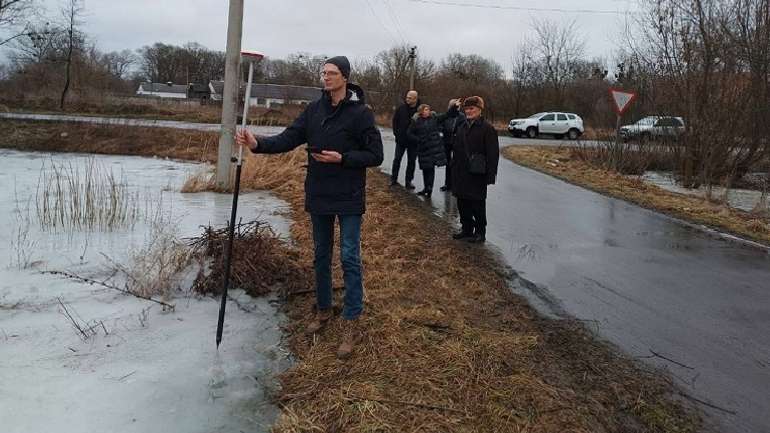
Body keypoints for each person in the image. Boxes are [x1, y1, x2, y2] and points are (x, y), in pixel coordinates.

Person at [235, 56, 384, 359]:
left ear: (345, 77)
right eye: (323, 73)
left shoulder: (360, 114)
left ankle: (352, 320)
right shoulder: (313, 111)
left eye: (331, 73)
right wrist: (257, 143)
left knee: (349, 256)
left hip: (349, 194)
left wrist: (343, 158)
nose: (325, 78)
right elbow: (289, 138)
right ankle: (324, 309)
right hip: (319, 192)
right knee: (320, 255)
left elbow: (375, 155)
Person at [450, 96, 499, 243]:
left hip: (477, 173)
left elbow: (493, 154)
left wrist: (490, 175)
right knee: (462, 203)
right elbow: (456, 148)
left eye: (472, 108)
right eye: (467, 109)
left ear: (479, 110)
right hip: (461, 172)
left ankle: (480, 232)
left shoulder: (487, 129)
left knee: (477, 204)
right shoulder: (462, 126)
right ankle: (466, 229)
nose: (469, 111)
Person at [406, 102, 459, 197]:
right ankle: (426, 187)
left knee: (431, 168)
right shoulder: (416, 121)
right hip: (423, 148)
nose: (428, 111)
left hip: (433, 148)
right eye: (425, 110)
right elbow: (409, 133)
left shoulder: (434, 118)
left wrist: (454, 107)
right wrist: (418, 140)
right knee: (425, 168)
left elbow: (446, 115)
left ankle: (429, 188)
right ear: (421, 111)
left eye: (428, 109)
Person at [390, 90, 420, 189]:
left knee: (411, 162)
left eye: (410, 98)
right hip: (401, 140)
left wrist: (418, 137)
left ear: (415, 99)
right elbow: (395, 121)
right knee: (397, 159)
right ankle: (393, 179)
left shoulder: (420, 110)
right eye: (407, 97)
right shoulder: (401, 108)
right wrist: (396, 134)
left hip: (413, 141)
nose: (407, 99)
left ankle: (408, 181)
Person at [440, 99, 459, 192]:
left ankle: (456, 184)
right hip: (447, 142)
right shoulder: (446, 116)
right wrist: (443, 130)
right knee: (448, 164)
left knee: (456, 164)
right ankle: (447, 184)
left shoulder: (461, 116)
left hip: (457, 143)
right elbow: (440, 125)